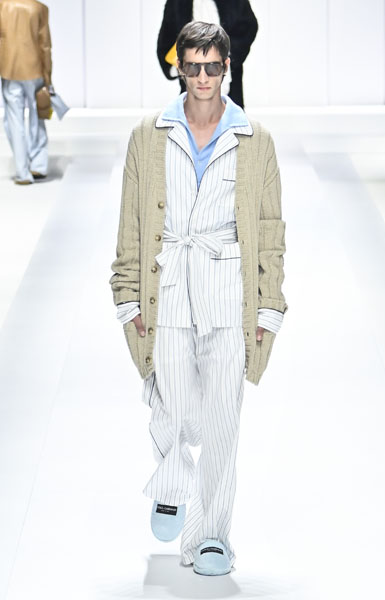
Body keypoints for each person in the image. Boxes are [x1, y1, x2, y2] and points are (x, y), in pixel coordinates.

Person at [110, 21, 287, 576]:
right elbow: (131, 223)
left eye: (213, 66)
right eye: (193, 66)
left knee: (222, 422)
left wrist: (268, 307)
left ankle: (212, 537)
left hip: (229, 292)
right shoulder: (148, 135)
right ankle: (172, 480)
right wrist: (128, 297)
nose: (203, 77)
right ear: (179, 69)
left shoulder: (255, 139)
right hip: (166, 289)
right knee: (176, 408)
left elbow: (270, 230)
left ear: (226, 68)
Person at [157, 0, 258, 108]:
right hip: (191, 74)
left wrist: (230, 54)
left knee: (231, 112)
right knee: (191, 112)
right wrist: (180, 66)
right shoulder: (176, 2)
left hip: (228, 72)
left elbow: (249, 26)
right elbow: (167, 35)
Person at [0, 0, 52, 184]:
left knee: (14, 121)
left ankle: (22, 172)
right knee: (37, 117)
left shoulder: (2, 6)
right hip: (35, 70)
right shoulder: (40, 8)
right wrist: (48, 75)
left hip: (10, 70)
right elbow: (45, 45)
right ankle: (38, 165)